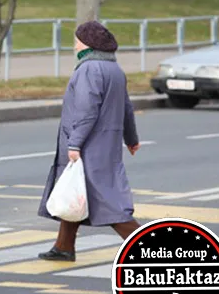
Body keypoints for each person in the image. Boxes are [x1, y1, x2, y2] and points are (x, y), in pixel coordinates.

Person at [36, 20, 141, 262]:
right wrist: (131, 138)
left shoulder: (89, 69)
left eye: (76, 41)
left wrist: (74, 144)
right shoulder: (115, 69)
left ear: (87, 44)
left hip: (89, 147)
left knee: (109, 204)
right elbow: (126, 107)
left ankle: (149, 247)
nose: (74, 46)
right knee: (75, 193)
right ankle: (64, 246)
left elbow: (86, 110)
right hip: (105, 146)